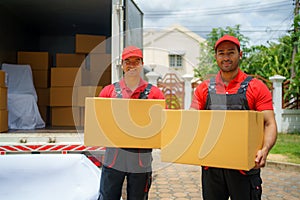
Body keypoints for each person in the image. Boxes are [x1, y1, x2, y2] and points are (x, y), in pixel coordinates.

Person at [190, 35, 277, 200]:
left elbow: (270, 123)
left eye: (231, 52)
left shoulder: (256, 87)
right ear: (216, 57)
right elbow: (192, 120)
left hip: (244, 167)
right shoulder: (204, 88)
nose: (226, 57)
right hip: (212, 167)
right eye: (221, 53)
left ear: (240, 54)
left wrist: (265, 150)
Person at [98, 46, 164, 200]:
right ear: (122, 64)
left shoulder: (155, 94)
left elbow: (163, 124)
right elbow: (99, 122)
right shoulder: (108, 92)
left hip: (141, 156)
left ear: (142, 64)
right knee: (108, 196)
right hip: (114, 155)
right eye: (128, 61)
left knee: (138, 197)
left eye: (136, 61)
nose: (132, 65)